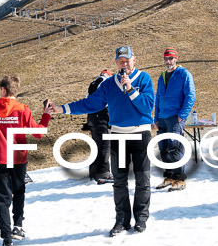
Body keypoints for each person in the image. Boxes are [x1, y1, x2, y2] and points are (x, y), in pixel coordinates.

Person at [51, 45, 155, 236]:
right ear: (116, 63)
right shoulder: (108, 84)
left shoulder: (144, 79)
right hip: (117, 135)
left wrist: (131, 90)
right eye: (120, 61)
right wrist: (61, 108)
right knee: (120, 181)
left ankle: (141, 219)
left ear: (134, 60)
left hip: (140, 134)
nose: (124, 64)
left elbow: (147, 106)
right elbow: (90, 103)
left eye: (127, 60)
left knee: (142, 179)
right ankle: (122, 221)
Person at [0, 75, 51, 246]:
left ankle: (7, 242)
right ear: (16, 91)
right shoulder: (23, 109)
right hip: (19, 158)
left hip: (0, 158)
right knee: (19, 190)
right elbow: (38, 133)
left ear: (3, 90)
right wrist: (46, 115)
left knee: (1, 199)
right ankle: (18, 226)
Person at [153, 47, 196, 191]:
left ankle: (180, 179)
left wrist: (182, 116)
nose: (168, 61)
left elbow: (190, 96)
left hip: (175, 117)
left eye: (171, 58)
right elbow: (158, 97)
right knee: (163, 148)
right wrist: (156, 118)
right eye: (166, 59)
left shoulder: (184, 74)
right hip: (163, 118)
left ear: (176, 59)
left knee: (174, 148)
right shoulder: (163, 75)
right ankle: (169, 177)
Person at [84, 69, 114, 184]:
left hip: (91, 116)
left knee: (96, 144)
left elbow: (87, 99)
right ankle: (103, 173)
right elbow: (109, 99)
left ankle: (94, 172)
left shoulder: (93, 83)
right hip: (101, 115)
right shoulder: (105, 82)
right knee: (104, 145)